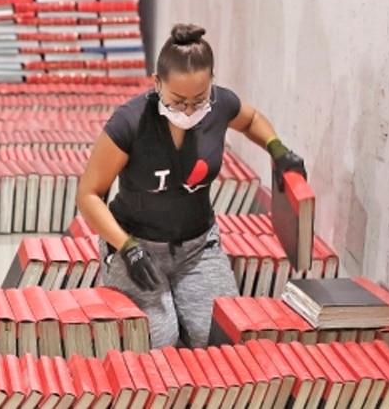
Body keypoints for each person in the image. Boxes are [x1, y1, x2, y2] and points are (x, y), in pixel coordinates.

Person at [75, 23, 307, 348]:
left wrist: (277, 149)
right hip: (137, 248)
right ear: (157, 84)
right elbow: (88, 195)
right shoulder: (129, 122)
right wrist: (127, 248)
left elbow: (252, 120)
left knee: (219, 339)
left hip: (198, 248)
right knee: (159, 341)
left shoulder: (219, 105)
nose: (188, 110)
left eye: (198, 100)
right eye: (178, 100)